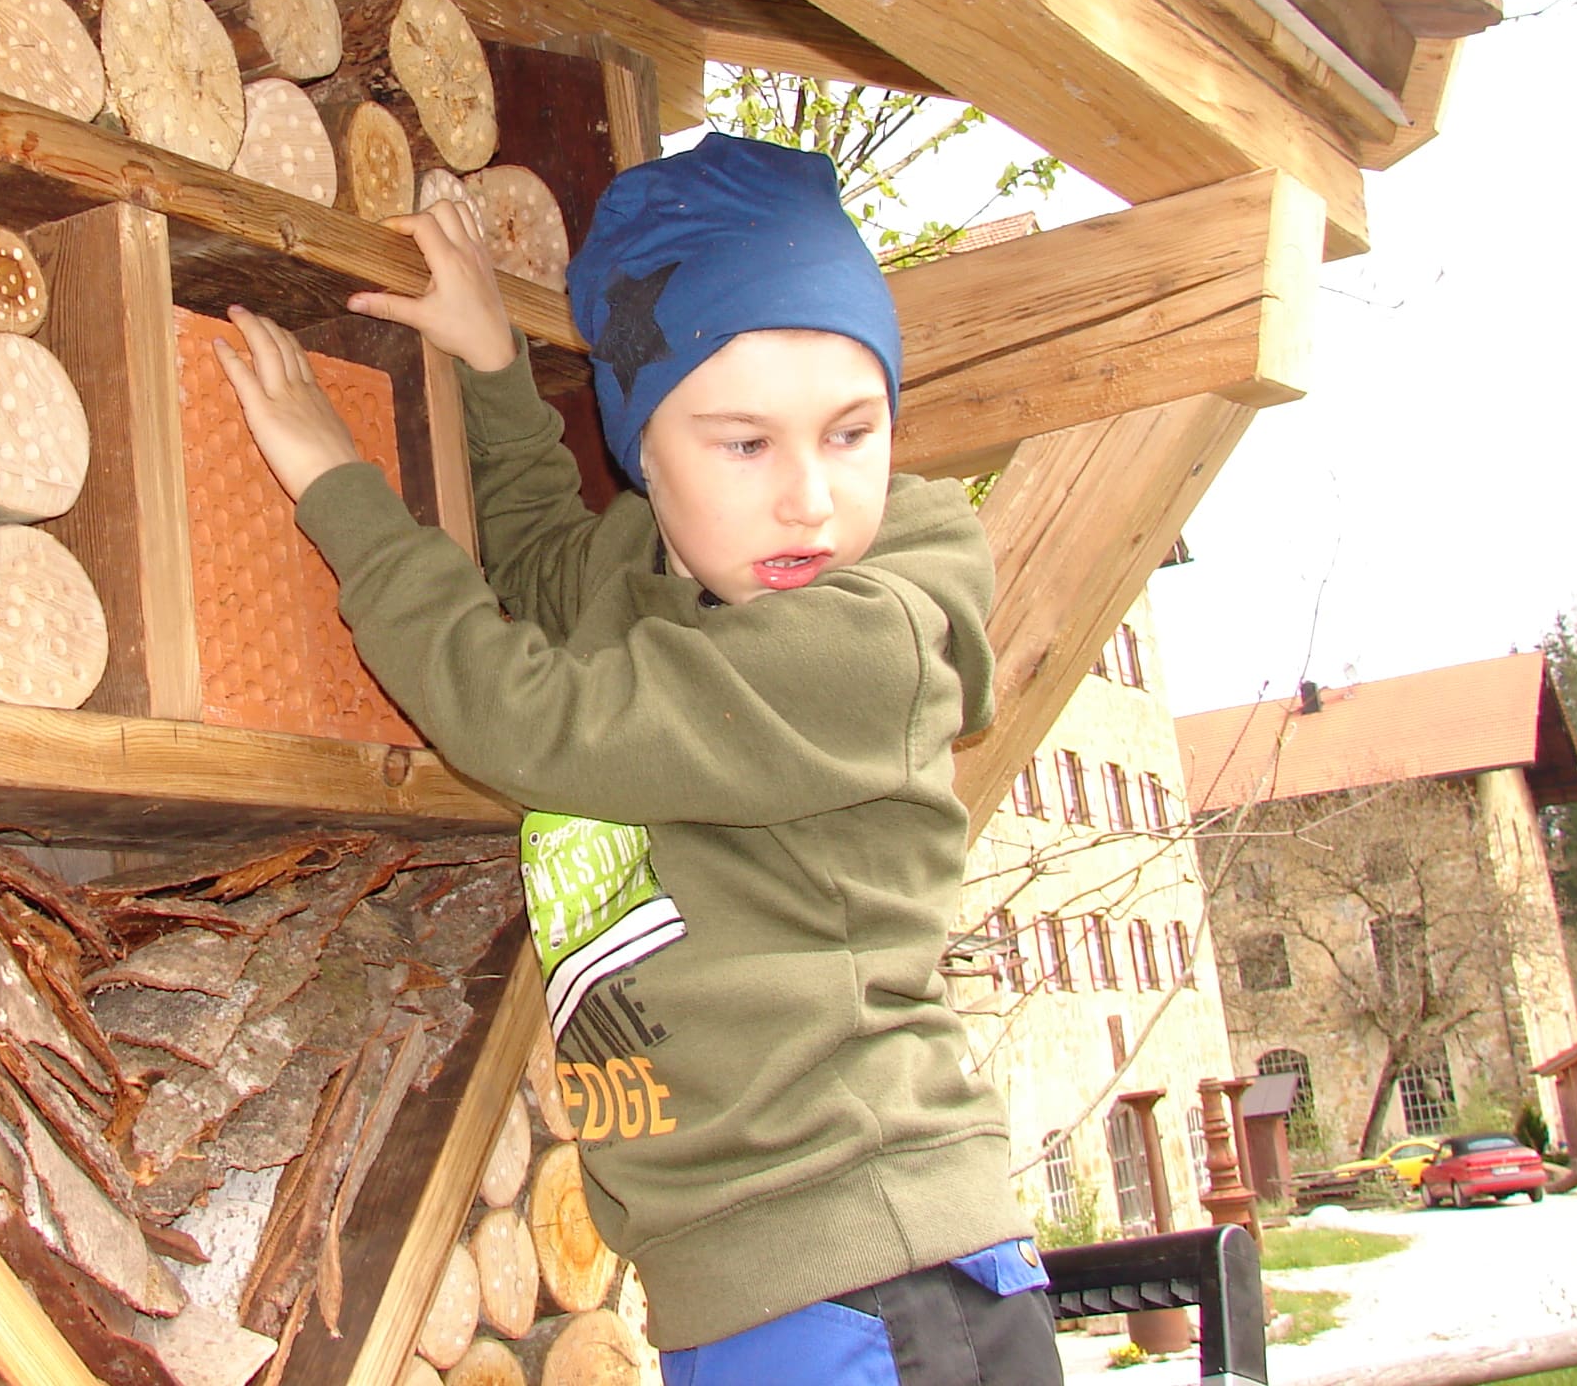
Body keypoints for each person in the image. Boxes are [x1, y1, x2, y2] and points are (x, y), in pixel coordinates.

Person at [212, 135, 1060, 1385]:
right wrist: (494, 366)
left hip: (872, 1273)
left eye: (849, 434)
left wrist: (341, 489)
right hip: (762, 1285)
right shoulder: (662, 587)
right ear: (643, 459)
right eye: (744, 444)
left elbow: (535, 722)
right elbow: (551, 564)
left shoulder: (863, 642)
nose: (810, 501)